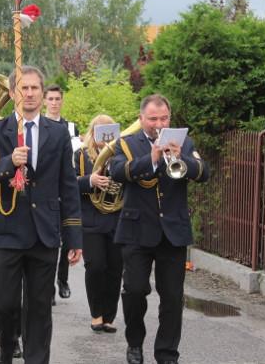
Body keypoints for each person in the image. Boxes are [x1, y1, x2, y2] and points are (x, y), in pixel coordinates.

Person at [0, 65, 83, 364]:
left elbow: (68, 185)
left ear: (43, 93)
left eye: (35, 88)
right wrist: (8, 163)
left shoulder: (58, 133)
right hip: (7, 229)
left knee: (39, 308)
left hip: (44, 233)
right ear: (12, 93)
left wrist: (74, 236)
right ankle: (8, 346)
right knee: (4, 305)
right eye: (24, 88)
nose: (30, 93)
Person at [109, 94, 209, 364]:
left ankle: (167, 353)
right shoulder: (127, 143)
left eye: (164, 118)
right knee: (134, 290)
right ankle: (134, 343)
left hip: (173, 231)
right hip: (136, 230)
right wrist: (151, 159)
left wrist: (181, 158)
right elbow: (116, 172)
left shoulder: (185, 142)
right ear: (141, 118)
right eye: (153, 119)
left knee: (173, 297)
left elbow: (204, 172)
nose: (159, 124)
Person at [74, 115, 123, 333]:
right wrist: (89, 181)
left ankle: (109, 316)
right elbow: (68, 183)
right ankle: (96, 314)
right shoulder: (81, 155)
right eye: (101, 131)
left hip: (116, 219)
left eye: (109, 132)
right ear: (93, 132)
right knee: (95, 266)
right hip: (90, 219)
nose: (105, 137)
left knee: (115, 269)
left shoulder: (120, 155)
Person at [43, 83, 79, 302]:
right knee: (50, 240)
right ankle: (48, 286)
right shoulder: (39, 125)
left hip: (66, 183)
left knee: (67, 236)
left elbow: (77, 157)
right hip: (48, 186)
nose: (54, 103)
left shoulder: (71, 127)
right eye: (51, 99)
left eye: (58, 99)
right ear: (44, 101)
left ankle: (62, 279)